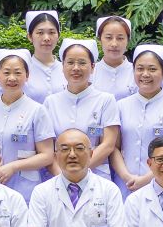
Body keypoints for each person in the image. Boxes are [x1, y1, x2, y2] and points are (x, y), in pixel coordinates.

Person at [0, 51, 55, 198]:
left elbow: (47, 155)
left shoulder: (37, 110)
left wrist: (14, 167)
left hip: (24, 188)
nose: (12, 78)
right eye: (6, 73)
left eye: (17, 73)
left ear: (27, 76)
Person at [44, 39, 121, 182]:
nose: (76, 68)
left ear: (92, 67)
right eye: (70, 62)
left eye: (82, 63)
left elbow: (108, 145)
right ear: (62, 66)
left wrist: (78, 172)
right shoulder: (50, 102)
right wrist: (63, 175)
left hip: (97, 178)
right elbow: (46, 148)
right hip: (58, 178)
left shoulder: (106, 100)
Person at [113, 45, 163, 192]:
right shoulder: (120, 105)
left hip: (161, 183)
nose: (145, 74)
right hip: (125, 184)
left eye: (152, 69)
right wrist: (126, 177)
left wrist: (145, 180)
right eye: (140, 69)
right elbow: (114, 147)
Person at [22, 10, 66, 104]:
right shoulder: (22, 70)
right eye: (40, 33)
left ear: (58, 36)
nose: (46, 38)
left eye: (51, 32)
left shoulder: (67, 68)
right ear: (30, 36)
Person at [90, 15, 137, 100]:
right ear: (100, 40)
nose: (114, 44)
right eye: (108, 38)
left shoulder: (137, 72)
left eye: (120, 38)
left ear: (128, 41)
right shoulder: (90, 72)